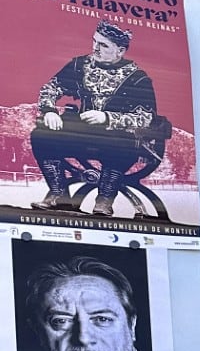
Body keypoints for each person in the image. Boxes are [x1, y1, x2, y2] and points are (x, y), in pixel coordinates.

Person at [29, 21, 159, 217]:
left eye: (103, 45)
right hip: (82, 133)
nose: (95, 48)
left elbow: (145, 118)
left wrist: (107, 117)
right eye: (95, 42)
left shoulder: (138, 79)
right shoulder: (79, 65)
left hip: (118, 140)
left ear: (120, 51)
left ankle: (104, 200)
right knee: (41, 136)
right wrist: (49, 111)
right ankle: (59, 194)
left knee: (123, 146)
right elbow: (50, 88)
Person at [18, 255, 149, 351]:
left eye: (102, 319)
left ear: (131, 325)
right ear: (37, 331)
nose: (83, 338)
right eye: (61, 321)